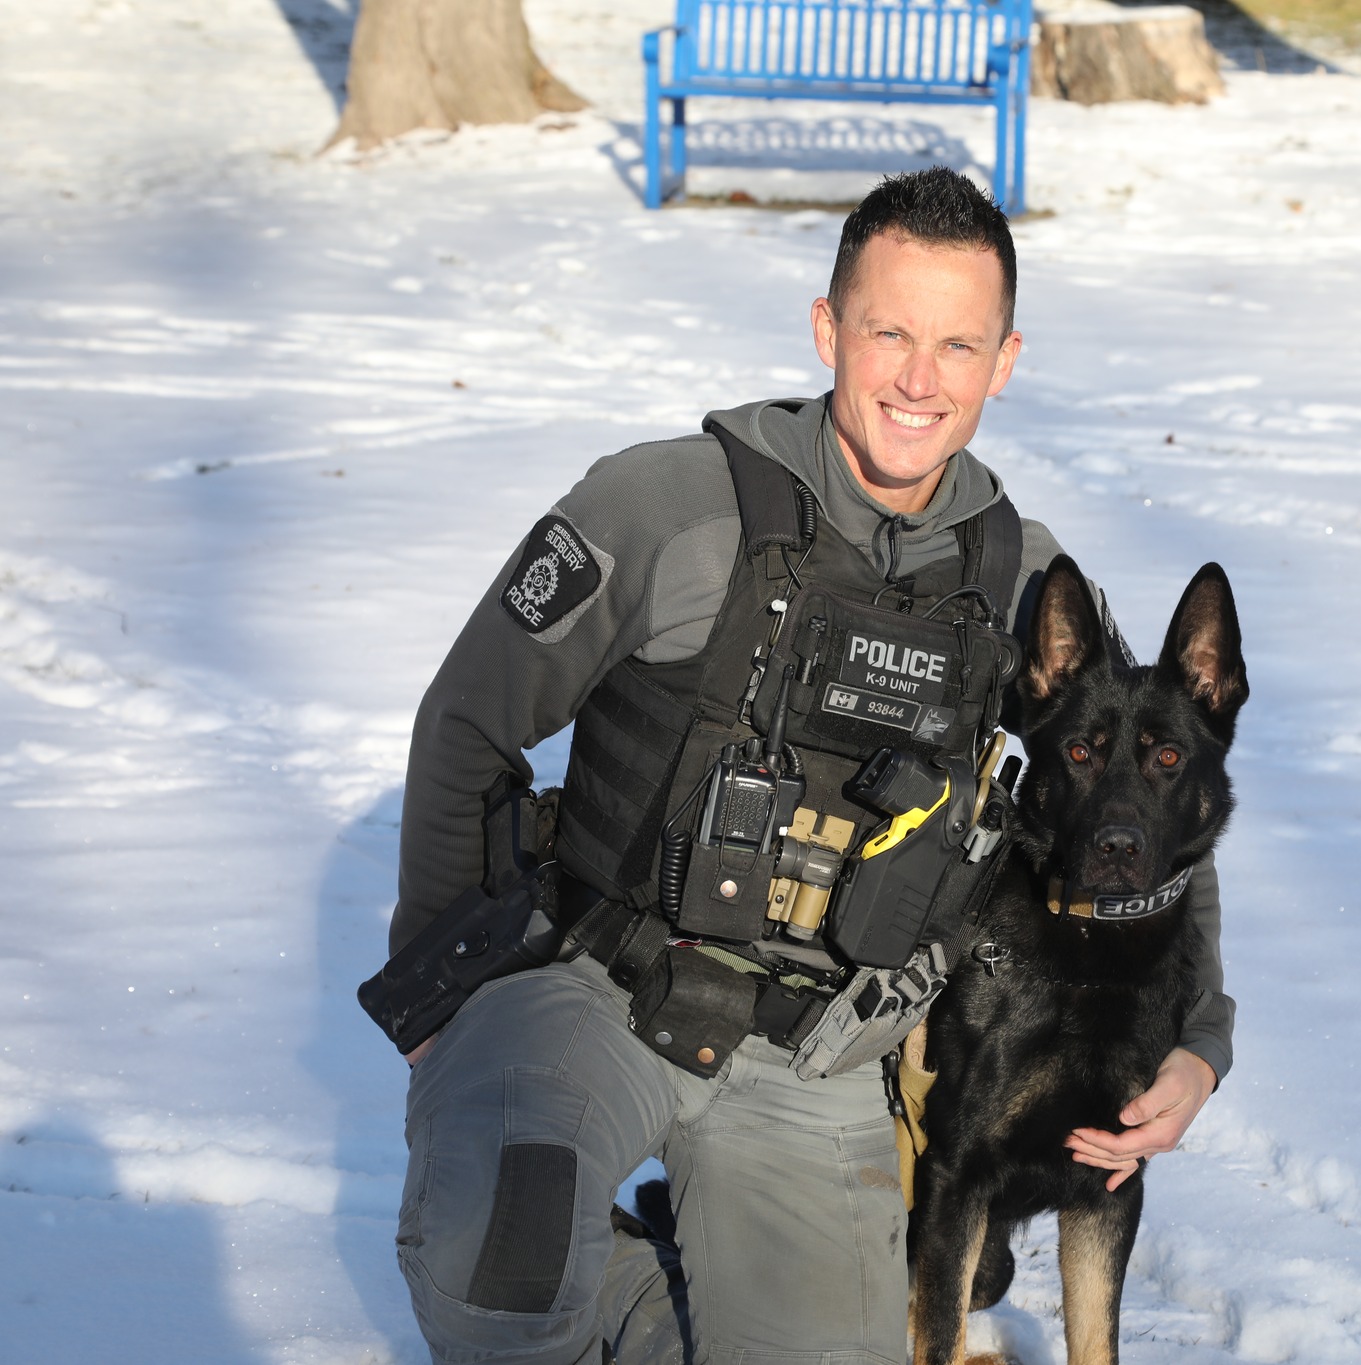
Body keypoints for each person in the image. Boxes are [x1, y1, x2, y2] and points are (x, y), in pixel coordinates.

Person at [389, 168, 1235, 1365]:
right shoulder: (665, 503)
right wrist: (430, 975)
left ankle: (678, 1301)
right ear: (827, 326)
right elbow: (468, 717)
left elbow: (1140, 797)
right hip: (592, 981)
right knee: (506, 1259)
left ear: (1003, 362)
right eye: (888, 330)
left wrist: (1199, 1036)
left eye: (958, 344)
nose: (916, 378)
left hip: (816, 1051)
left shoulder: (1018, 582)